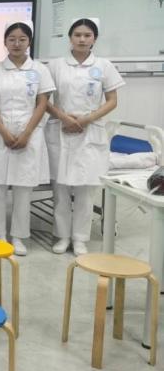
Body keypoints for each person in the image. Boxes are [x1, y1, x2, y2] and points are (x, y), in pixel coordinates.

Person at [46, 18, 123, 255]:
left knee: (85, 190)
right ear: (70, 37)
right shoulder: (55, 65)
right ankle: (62, 236)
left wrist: (87, 119)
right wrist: (65, 118)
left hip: (91, 131)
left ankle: (80, 238)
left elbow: (112, 101)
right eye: (77, 35)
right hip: (61, 128)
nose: (82, 39)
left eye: (87, 35)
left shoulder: (104, 65)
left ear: (94, 39)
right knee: (60, 189)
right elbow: (43, 101)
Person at [0, 23, 55, 255]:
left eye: (22, 39)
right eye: (12, 39)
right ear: (5, 42)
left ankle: (18, 236)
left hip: (29, 132)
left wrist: (26, 133)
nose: (16, 43)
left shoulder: (40, 70)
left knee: (23, 188)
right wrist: (4, 132)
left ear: (29, 42)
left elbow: (42, 104)